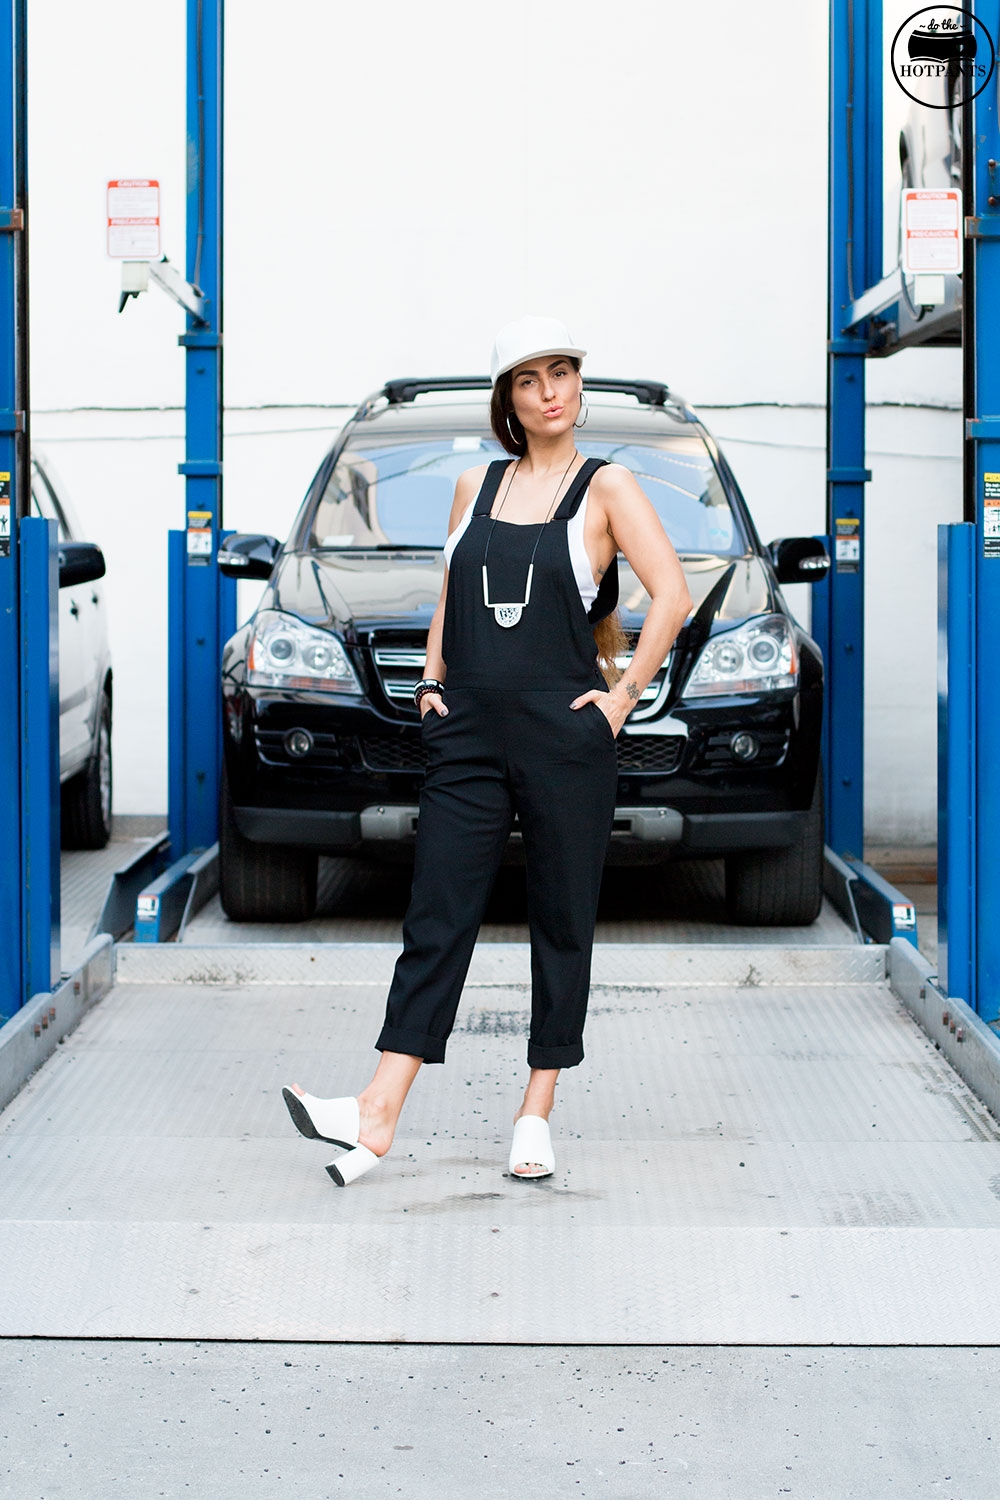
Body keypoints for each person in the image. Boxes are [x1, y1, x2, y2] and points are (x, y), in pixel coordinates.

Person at [282, 315, 692, 1186]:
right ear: (507, 397)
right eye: (529, 378)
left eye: (563, 373)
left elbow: (673, 597)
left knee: (560, 918)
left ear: (579, 386)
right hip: (465, 730)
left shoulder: (609, 487)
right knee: (438, 914)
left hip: (564, 733)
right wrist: (432, 683)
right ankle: (377, 1111)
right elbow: (447, 593)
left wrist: (619, 702)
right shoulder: (476, 484)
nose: (550, 391)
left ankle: (536, 1110)